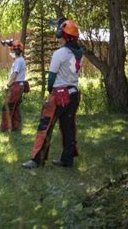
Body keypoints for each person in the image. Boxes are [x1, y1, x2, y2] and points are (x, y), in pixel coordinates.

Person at [22, 19, 83, 169]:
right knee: (68, 127)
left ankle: (37, 160)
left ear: (63, 34)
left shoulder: (60, 53)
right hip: (74, 94)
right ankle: (67, 159)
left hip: (60, 94)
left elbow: (52, 76)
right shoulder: (79, 53)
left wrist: (50, 90)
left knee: (45, 126)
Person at [0, 40, 27, 132]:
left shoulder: (18, 61)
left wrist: (8, 85)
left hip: (15, 86)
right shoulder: (20, 60)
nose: (10, 52)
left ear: (15, 51)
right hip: (18, 86)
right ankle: (16, 127)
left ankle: (5, 128)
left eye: (11, 50)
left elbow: (14, 75)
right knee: (15, 108)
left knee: (7, 107)